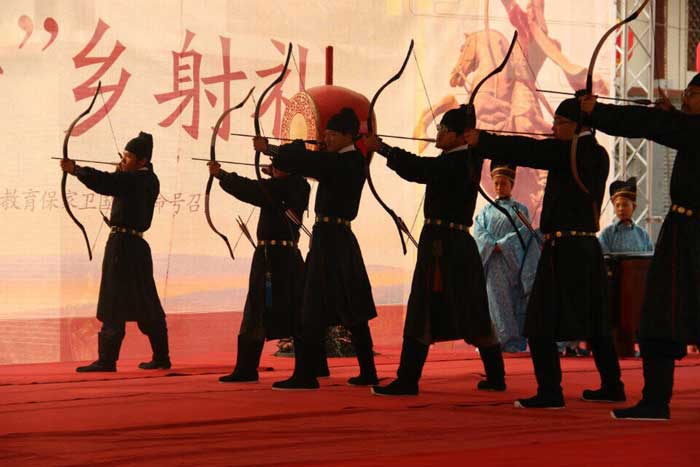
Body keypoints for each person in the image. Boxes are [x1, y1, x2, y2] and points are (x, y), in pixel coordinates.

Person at [465, 98, 625, 408]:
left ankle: (551, 391)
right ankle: (612, 385)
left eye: (560, 123)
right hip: (584, 249)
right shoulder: (593, 153)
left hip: (565, 249)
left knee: (539, 321)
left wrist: (484, 140)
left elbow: (529, 150)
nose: (554, 129)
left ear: (578, 125)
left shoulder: (575, 151)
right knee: (595, 321)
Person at [579, 73, 700, 420]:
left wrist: (598, 112)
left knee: (662, 316)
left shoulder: (691, 129)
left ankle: (655, 402)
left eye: (693, 94)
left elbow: (647, 123)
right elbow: (664, 123)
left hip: (688, 236)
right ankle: (654, 401)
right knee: (661, 318)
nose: (686, 98)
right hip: (684, 232)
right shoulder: (688, 127)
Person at [365, 105, 506, 396]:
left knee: (426, 309)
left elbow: (419, 169)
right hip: (449, 243)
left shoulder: (461, 161)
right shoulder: (460, 158)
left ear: (460, 136)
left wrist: (383, 149)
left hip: (444, 247)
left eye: (444, 130)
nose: (438, 134)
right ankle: (495, 376)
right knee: (470, 308)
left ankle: (408, 380)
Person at [254, 107, 379, 390]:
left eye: (332, 134)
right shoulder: (340, 160)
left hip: (334, 239)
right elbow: (311, 163)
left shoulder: (348, 161)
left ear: (348, 135)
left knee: (316, 306)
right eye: (326, 133)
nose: (326, 138)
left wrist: (271, 149)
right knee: (343, 307)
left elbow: (312, 162)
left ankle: (307, 375)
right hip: (332, 238)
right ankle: (363, 371)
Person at [60, 132, 171, 372]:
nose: (123, 160)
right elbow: (116, 182)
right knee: (145, 301)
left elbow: (107, 183)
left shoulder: (139, 180)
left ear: (142, 161)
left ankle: (107, 360)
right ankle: (161, 357)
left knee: (115, 300)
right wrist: (120, 170)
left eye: (128, 157)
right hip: (134, 246)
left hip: (124, 246)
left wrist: (77, 170)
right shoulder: (143, 178)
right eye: (124, 155)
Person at [207, 161, 310, 383]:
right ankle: (248, 368)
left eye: (278, 164)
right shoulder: (290, 185)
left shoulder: (287, 186)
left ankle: (303, 372)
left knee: (280, 310)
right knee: (263, 309)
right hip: (274, 256)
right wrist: (277, 172)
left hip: (277, 258)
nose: (273, 167)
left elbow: (251, 190)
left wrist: (222, 175)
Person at [474, 162, 537, 353]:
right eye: (496, 183)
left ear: (512, 184)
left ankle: (513, 341)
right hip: (492, 264)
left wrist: (503, 244)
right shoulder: (485, 211)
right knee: (493, 302)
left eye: (503, 183)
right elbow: (479, 232)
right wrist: (491, 245)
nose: (499, 187)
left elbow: (525, 232)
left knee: (512, 302)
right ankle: (493, 340)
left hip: (512, 264)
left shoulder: (520, 210)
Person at [598, 177, 654, 254]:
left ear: (634, 207)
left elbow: (650, 258)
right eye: (617, 205)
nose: (621, 209)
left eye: (625, 205)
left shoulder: (643, 235)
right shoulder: (607, 234)